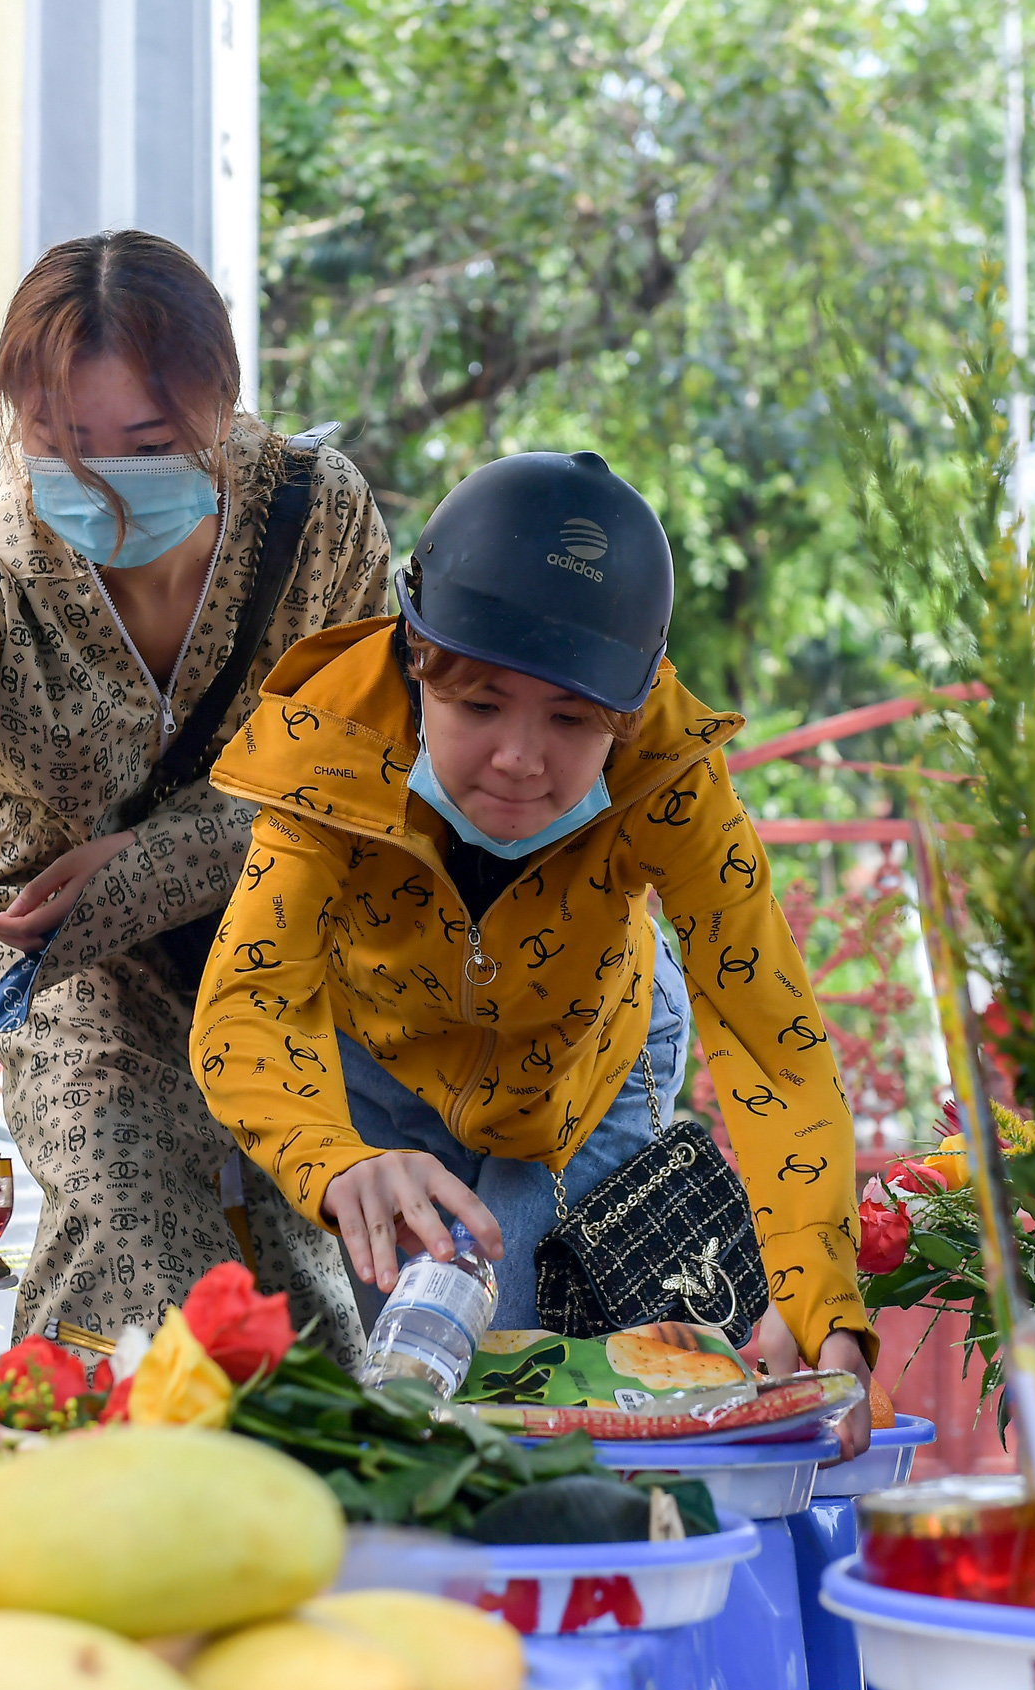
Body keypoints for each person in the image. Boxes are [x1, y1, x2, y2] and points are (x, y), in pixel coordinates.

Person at [188, 450, 878, 1455]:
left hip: (588, 1060)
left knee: (505, 1363)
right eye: (478, 707)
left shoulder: (672, 774)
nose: (520, 756)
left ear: (629, 713)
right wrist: (338, 1161)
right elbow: (252, 1000)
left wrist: (820, 1301)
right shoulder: (328, 740)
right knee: (418, 1391)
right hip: (382, 1066)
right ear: (416, 662)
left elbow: (768, 1037)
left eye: (569, 720)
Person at [0, 231, 391, 1349]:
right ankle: (75, 1500)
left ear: (223, 406)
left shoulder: (317, 521)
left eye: (147, 442)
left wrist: (152, 862)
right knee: (126, 1233)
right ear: (13, 421)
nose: (100, 482)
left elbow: (360, 767)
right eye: (60, 442)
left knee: (301, 1292)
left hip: (286, 938)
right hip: (73, 957)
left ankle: (307, 1515)